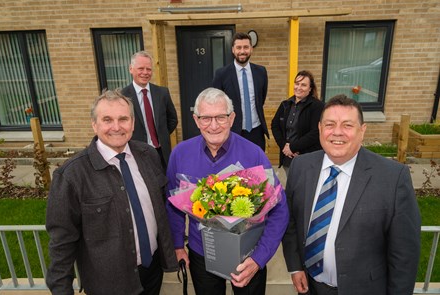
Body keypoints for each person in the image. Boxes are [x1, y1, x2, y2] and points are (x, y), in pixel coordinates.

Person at [282, 94, 421, 295]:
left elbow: (405, 254)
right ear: (320, 129)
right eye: (330, 124)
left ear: (362, 131)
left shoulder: (393, 178)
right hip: (310, 286)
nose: (337, 132)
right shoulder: (300, 166)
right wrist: (295, 267)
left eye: (347, 125)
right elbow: (291, 221)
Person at [46, 89, 178, 295]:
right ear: (94, 124)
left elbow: (160, 208)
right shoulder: (72, 175)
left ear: (133, 124)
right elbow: (61, 242)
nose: (116, 127)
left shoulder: (148, 155)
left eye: (123, 119)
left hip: (152, 272)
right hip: (108, 284)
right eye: (107, 119)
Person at [166, 87, 289, 295]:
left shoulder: (254, 154)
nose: (213, 126)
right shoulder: (180, 154)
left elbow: (280, 209)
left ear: (232, 118)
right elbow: (172, 206)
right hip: (201, 253)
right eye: (206, 118)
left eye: (221, 117)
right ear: (196, 120)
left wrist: (259, 258)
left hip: (248, 256)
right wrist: (178, 245)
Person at [212, 32, 268, 151]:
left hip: (256, 131)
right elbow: (216, 104)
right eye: (239, 47)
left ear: (251, 49)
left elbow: (261, 99)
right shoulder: (222, 74)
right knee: (234, 168)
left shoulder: (261, 72)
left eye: (246, 47)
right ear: (233, 49)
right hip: (232, 131)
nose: (242, 51)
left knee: (256, 167)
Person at [122, 50, 178, 170]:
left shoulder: (162, 92)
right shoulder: (122, 96)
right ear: (131, 69)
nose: (145, 72)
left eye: (148, 69)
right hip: (137, 153)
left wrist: (161, 134)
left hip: (161, 152)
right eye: (141, 68)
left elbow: (172, 119)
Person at [271, 70, 324, 174]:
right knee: (292, 188)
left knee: (307, 189)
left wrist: (293, 147)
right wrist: (284, 147)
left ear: (310, 89)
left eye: (303, 85)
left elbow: (315, 132)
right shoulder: (285, 105)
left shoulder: (317, 106)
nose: (299, 87)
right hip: (288, 157)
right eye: (297, 83)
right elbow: (275, 126)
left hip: (308, 158)